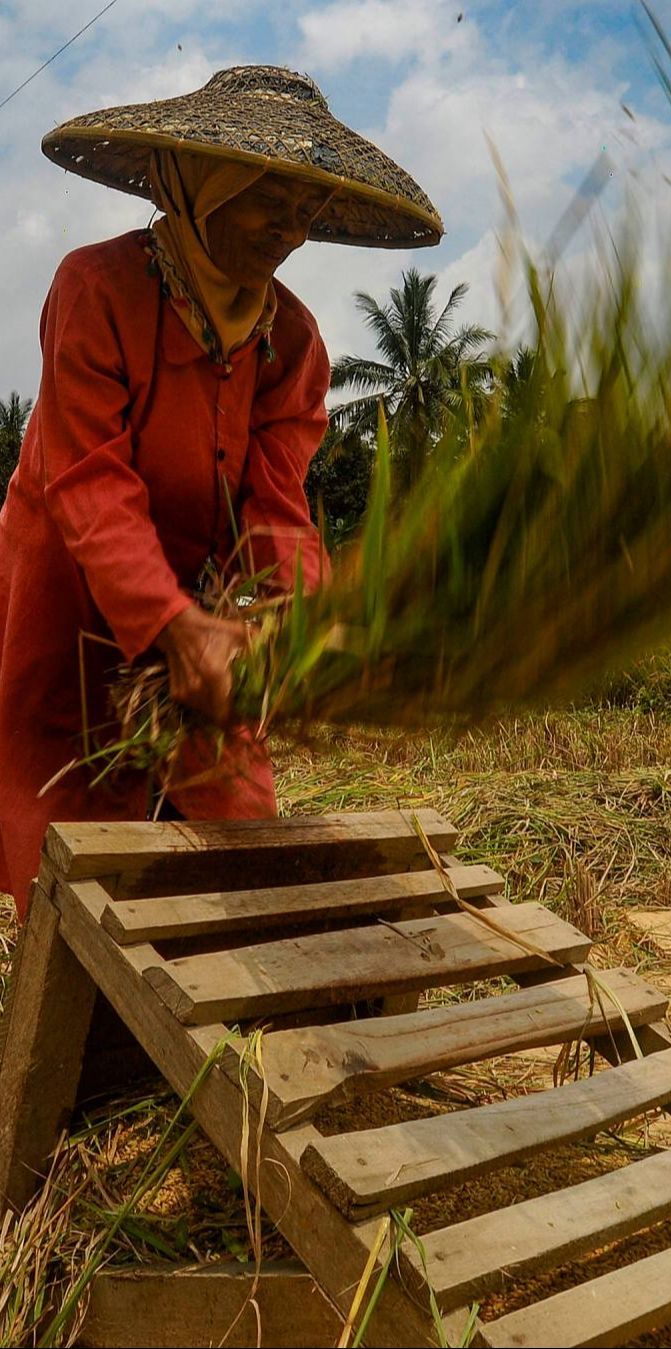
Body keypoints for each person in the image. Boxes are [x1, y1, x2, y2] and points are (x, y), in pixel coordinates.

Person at [0, 65, 442, 920]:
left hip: (199, 620)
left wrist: (311, 621)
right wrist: (171, 627)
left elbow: (277, 507)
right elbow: (86, 484)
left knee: (235, 824)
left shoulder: (295, 341)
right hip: (70, 598)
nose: (291, 233)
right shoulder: (95, 290)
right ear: (202, 184)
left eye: (308, 211)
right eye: (269, 201)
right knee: (70, 854)